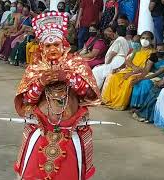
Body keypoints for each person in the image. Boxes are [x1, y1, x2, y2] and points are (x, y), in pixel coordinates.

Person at [13, 12, 100, 179]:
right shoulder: (35, 68)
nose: (52, 49)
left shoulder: (76, 64)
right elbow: (27, 100)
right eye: (47, 46)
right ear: (41, 48)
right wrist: (40, 83)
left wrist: (68, 77)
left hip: (71, 130)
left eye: (56, 45)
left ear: (64, 46)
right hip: (41, 129)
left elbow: (88, 94)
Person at [101, 31, 156, 110]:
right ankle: (109, 100)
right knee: (114, 77)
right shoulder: (137, 50)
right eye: (143, 38)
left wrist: (132, 73)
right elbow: (127, 61)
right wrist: (125, 68)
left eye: (147, 38)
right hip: (130, 69)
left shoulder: (153, 53)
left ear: (151, 40)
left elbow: (146, 69)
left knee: (128, 80)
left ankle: (120, 104)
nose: (144, 40)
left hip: (140, 72)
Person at [130, 43, 164, 109]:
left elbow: (157, 73)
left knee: (145, 83)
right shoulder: (154, 56)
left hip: (159, 77)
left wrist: (141, 79)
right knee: (137, 81)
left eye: (160, 50)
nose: (158, 51)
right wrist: (140, 77)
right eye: (157, 49)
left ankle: (142, 106)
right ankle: (135, 105)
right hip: (151, 75)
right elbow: (146, 70)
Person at [92, 25, 132, 90]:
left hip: (116, 62)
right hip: (121, 61)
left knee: (96, 70)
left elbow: (113, 53)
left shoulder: (119, 40)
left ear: (116, 33)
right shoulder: (126, 41)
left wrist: (106, 64)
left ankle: (96, 91)